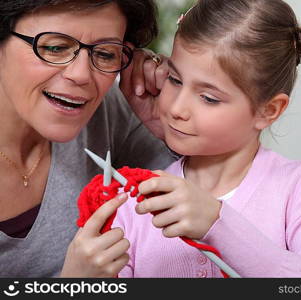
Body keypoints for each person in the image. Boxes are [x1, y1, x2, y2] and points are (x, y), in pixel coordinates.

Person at [111, 0, 301, 277]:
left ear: (268, 110)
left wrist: (218, 224)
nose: (177, 109)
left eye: (209, 98)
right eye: (175, 80)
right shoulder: (134, 200)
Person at [0, 0, 174, 277]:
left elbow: (203, 203)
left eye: (105, 54)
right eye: (54, 48)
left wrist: (168, 126)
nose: (81, 75)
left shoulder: (107, 111)